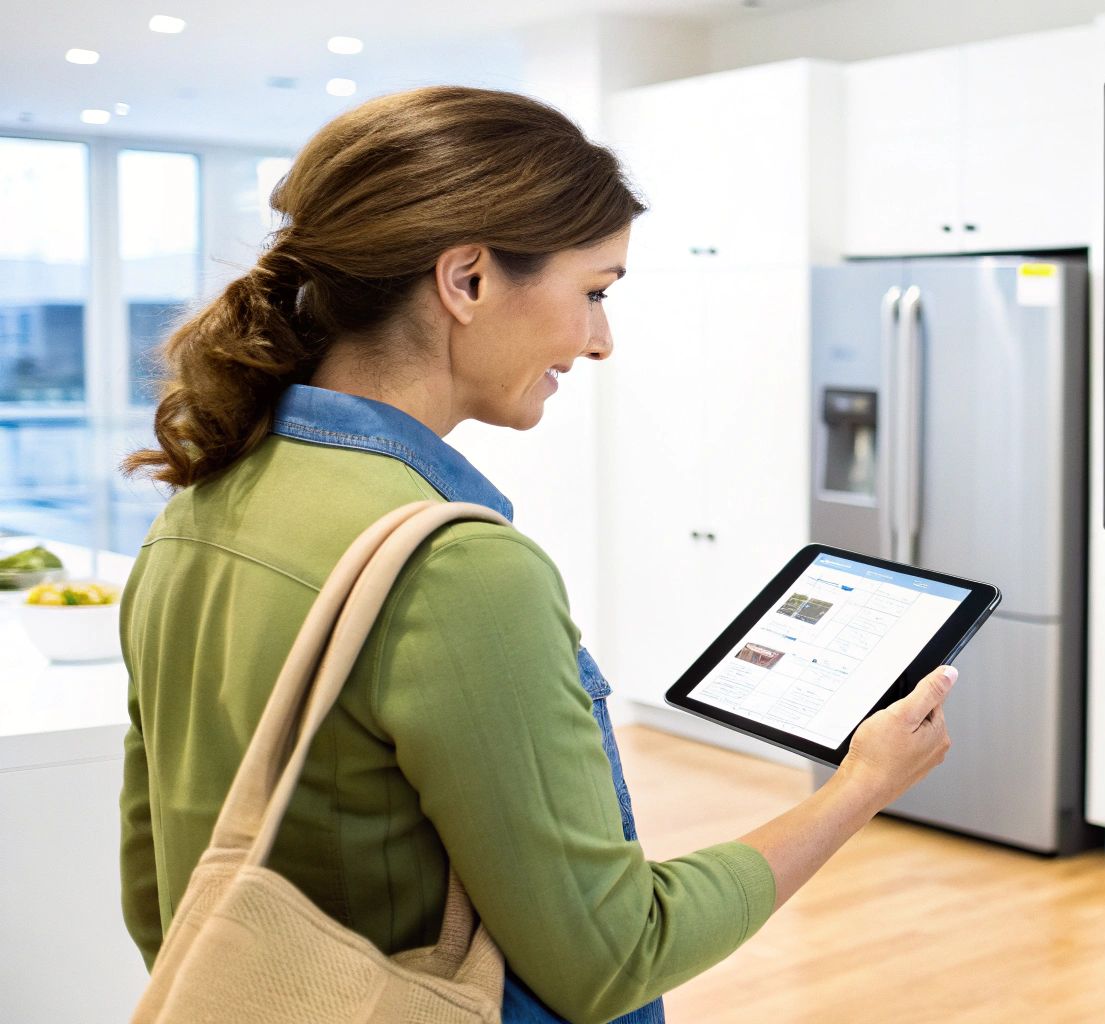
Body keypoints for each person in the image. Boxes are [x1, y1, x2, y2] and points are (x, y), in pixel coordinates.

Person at [116, 84, 957, 1024]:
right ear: (467, 279)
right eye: (594, 292)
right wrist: (863, 786)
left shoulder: (198, 503)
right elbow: (611, 958)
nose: (600, 340)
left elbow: (160, 889)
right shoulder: (455, 567)